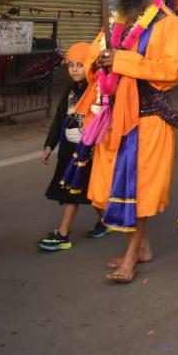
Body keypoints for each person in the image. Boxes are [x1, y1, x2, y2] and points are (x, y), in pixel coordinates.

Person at [65, 0, 178, 283]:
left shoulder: (170, 25)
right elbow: (94, 55)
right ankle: (142, 247)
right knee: (105, 190)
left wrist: (122, 61)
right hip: (111, 116)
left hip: (148, 119)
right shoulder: (117, 20)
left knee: (139, 191)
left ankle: (132, 256)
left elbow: (173, 71)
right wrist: (98, 62)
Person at [37, 42, 107, 251]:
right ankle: (107, 221)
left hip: (88, 152)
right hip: (68, 151)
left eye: (80, 64)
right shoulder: (69, 90)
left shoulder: (97, 91)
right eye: (71, 65)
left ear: (91, 65)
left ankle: (63, 234)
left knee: (73, 193)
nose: (75, 69)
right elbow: (59, 119)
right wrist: (49, 145)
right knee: (87, 190)